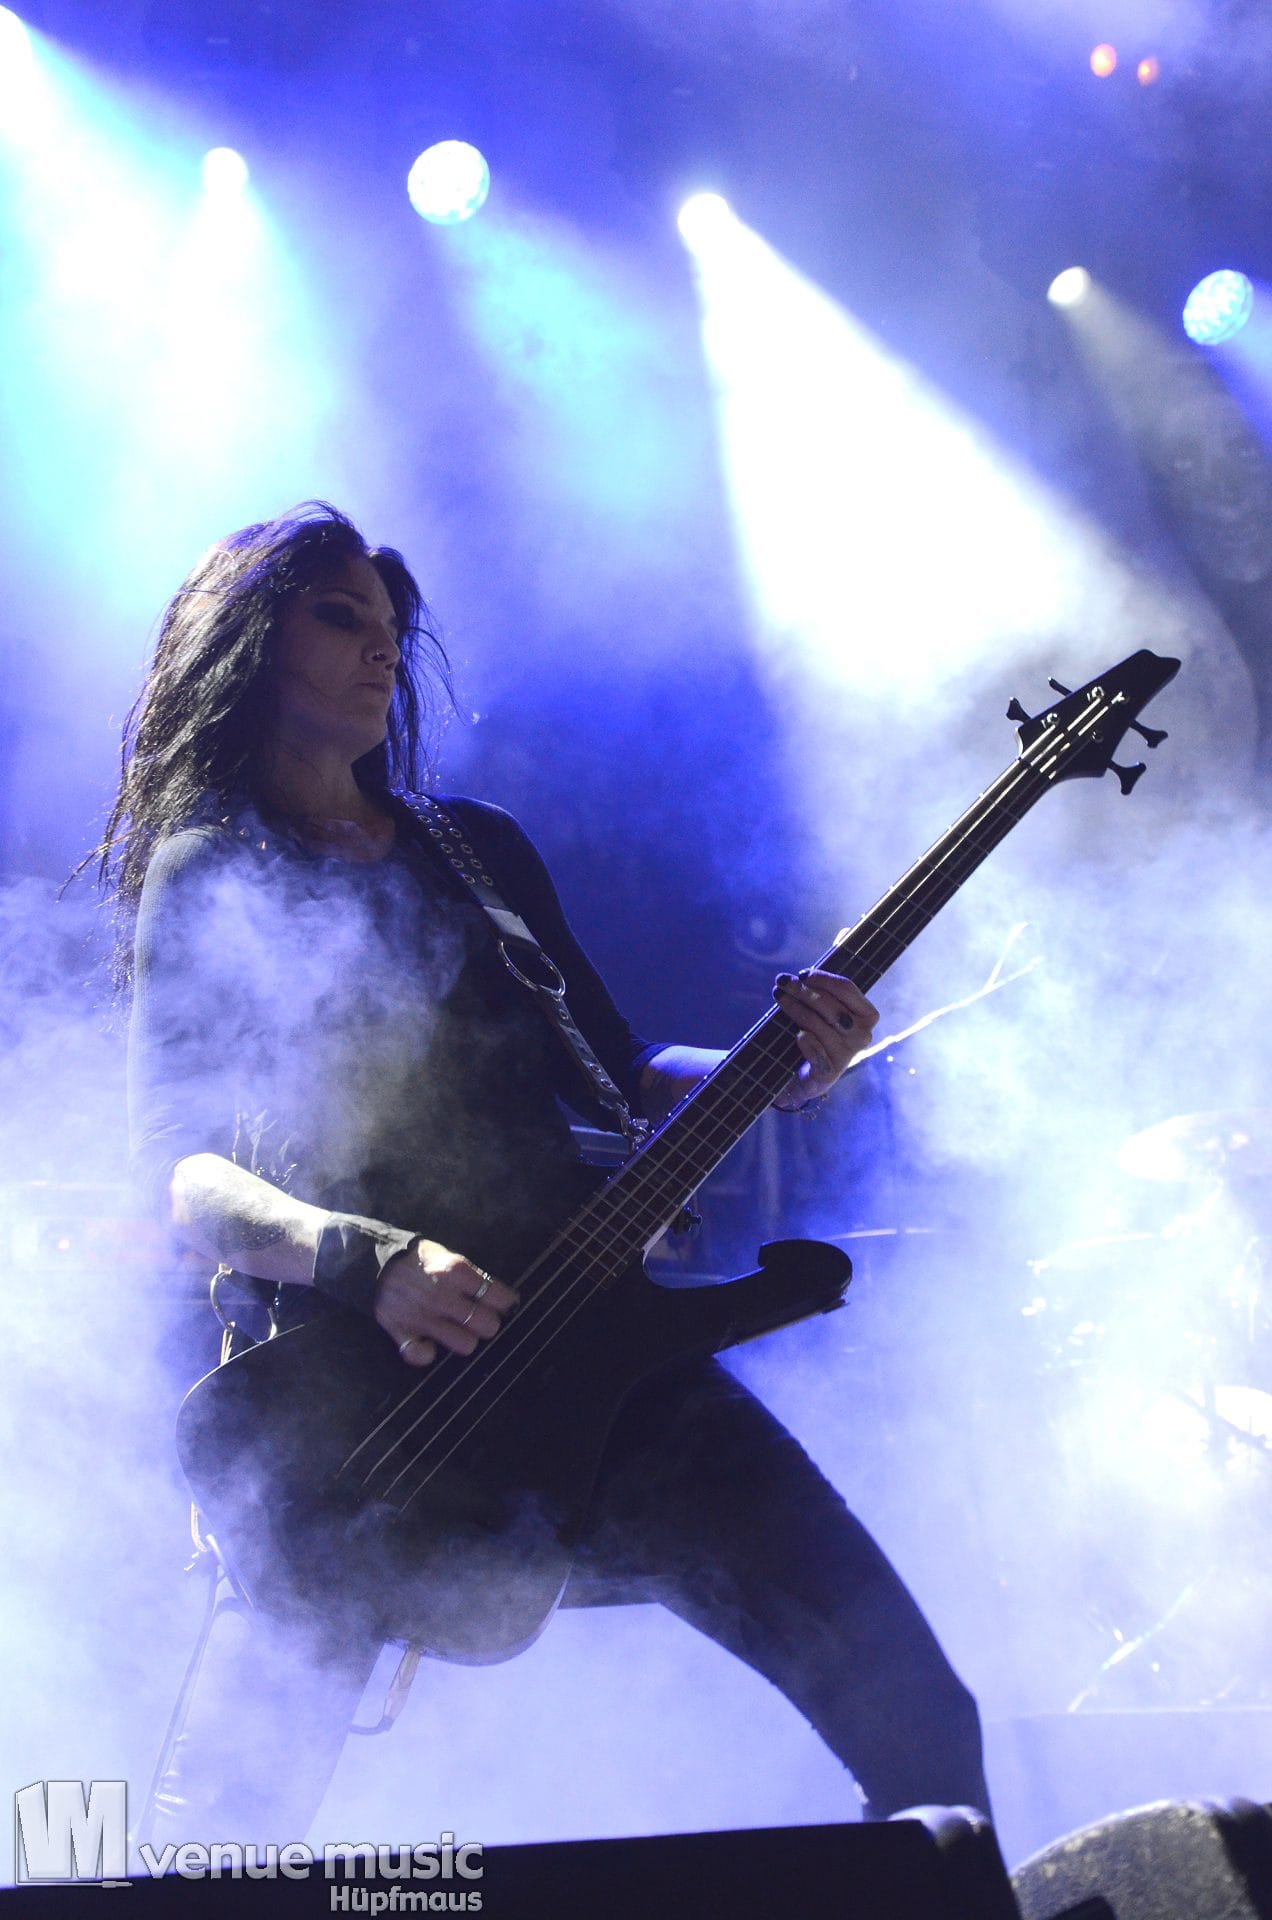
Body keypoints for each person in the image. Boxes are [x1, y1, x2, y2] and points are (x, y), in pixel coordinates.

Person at [101, 501, 990, 1847]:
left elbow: (619, 1064)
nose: (379, 651)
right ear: (251, 643)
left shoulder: (477, 848)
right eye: (339, 617)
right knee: (223, 1833)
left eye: (391, 629)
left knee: (918, 1717)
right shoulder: (213, 869)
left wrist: (785, 1066)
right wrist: (370, 1260)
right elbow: (184, 1173)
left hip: (598, 1344)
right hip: (365, 1402)